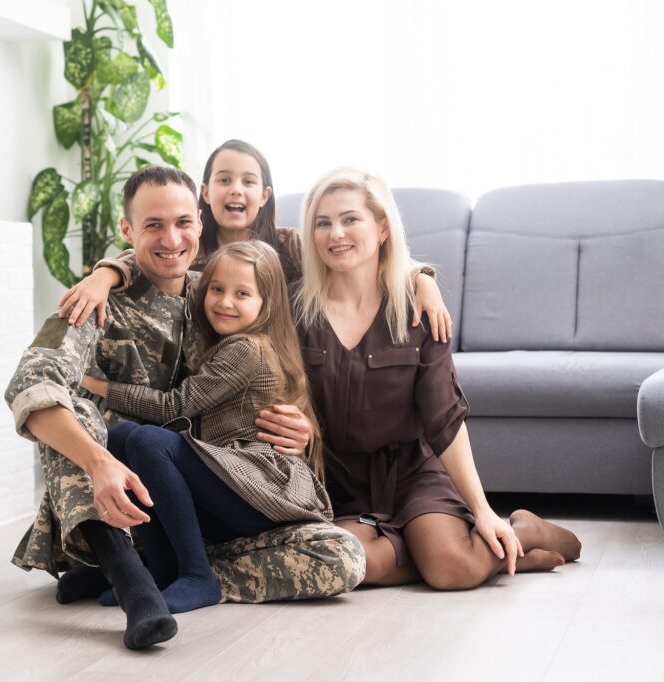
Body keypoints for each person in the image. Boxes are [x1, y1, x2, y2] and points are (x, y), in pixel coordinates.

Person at [4, 166, 365, 650]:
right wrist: (101, 462)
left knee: (343, 557)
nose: (171, 239)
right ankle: (133, 581)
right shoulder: (92, 303)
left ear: (199, 222)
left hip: (199, 508)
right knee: (78, 413)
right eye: (153, 225)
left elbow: (331, 269)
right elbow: (30, 384)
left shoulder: (212, 291)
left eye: (182, 223)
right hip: (110, 504)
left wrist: (300, 427)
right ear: (127, 232)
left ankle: (180, 574)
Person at [296, 168, 581, 588]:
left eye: (350, 219)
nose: (336, 233)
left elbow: (444, 417)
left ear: (382, 228)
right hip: (338, 480)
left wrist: (482, 509)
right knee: (348, 563)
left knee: (453, 571)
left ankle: (523, 532)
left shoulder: (418, 309)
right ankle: (463, 552)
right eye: (323, 223)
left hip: (413, 472)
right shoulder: (296, 310)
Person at [79, 241, 331, 614]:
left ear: (267, 303)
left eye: (242, 293)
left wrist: (94, 384)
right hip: (233, 485)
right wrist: (108, 272)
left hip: (260, 491)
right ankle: (160, 571)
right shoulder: (230, 342)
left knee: (148, 439)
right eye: (216, 289)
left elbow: (174, 406)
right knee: (120, 438)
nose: (225, 302)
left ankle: (199, 576)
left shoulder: (247, 348)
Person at [58, 139, 453, 346]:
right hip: (209, 370)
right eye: (225, 180)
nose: (236, 190)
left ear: (263, 195)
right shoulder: (192, 249)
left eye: (248, 181)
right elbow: (148, 253)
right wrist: (105, 274)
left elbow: (353, 255)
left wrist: (421, 278)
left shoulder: (291, 246)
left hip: (282, 368)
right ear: (205, 192)